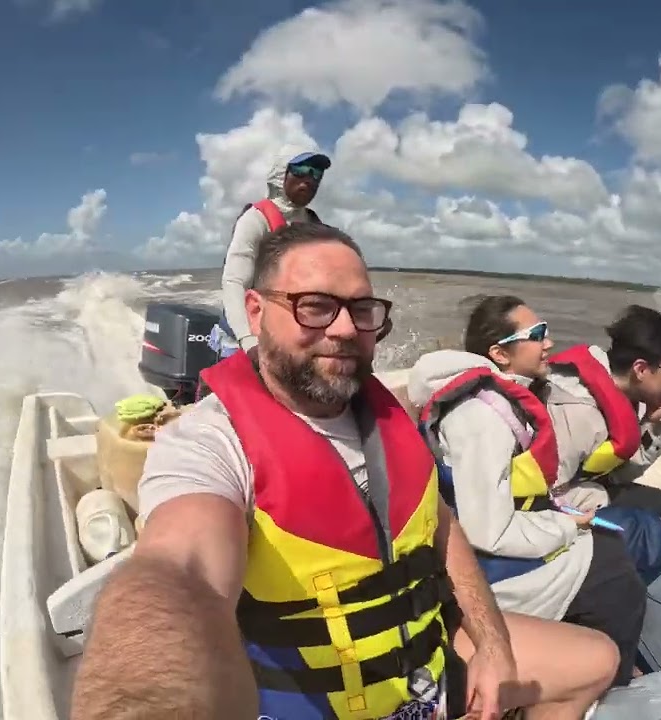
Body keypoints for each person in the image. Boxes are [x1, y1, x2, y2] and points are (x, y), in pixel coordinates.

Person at [73, 224, 617, 720]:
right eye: (314, 306)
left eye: (360, 310)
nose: (342, 328)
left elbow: (441, 527)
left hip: (422, 667)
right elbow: (179, 573)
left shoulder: (387, 417)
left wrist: (494, 648)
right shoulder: (210, 442)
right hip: (321, 700)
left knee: (594, 661)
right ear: (256, 311)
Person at [407, 295, 648, 688]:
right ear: (499, 353)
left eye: (546, 332)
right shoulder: (482, 415)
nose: (548, 342)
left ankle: (602, 666)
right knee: (615, 575)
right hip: (481, 567)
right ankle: (608, 689)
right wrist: (567, 528)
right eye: (536, 335)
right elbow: (489, 532)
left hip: (494, 533)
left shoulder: (502, 395)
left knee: (615, 543)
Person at [545, 304, 661, 527]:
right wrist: (600, 497)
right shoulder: (579, 410)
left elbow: (616, 474)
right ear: (640, 369)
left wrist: (651, 421)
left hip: (579, 487)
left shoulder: (620, 393)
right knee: (653, 524)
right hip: (558, 509)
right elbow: (548, 496)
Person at [216, 145, 330, 362]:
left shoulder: (314, 224)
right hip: (243, 335)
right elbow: (234, 282)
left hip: (284, 335)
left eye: (317, 173)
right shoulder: (255, 219)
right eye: (301, 169)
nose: (310, 178)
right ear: (281, 175)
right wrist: (248, 340)